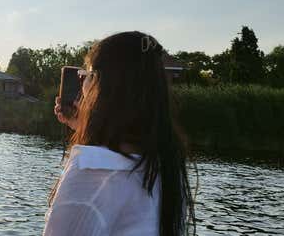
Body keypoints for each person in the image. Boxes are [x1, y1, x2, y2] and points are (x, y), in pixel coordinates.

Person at [44, 31, 196, 236]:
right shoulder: (166, 170)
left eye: (86, 76)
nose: (82, 86)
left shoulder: (93, 174)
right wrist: (83, 125)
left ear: (102, 86)